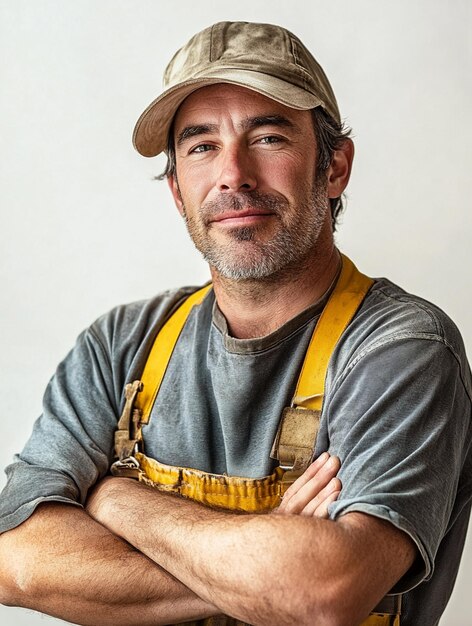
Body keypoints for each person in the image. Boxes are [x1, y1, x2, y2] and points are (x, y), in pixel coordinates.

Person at [0, 19, 471, 626]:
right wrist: (264, 556)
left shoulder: (402, 350)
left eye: (269, 137)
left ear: (334, 169)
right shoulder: (118, 346)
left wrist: (114, 499)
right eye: (200, 146)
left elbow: (322, 592)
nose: (233, 175)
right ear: (177, 190)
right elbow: (17, 562)